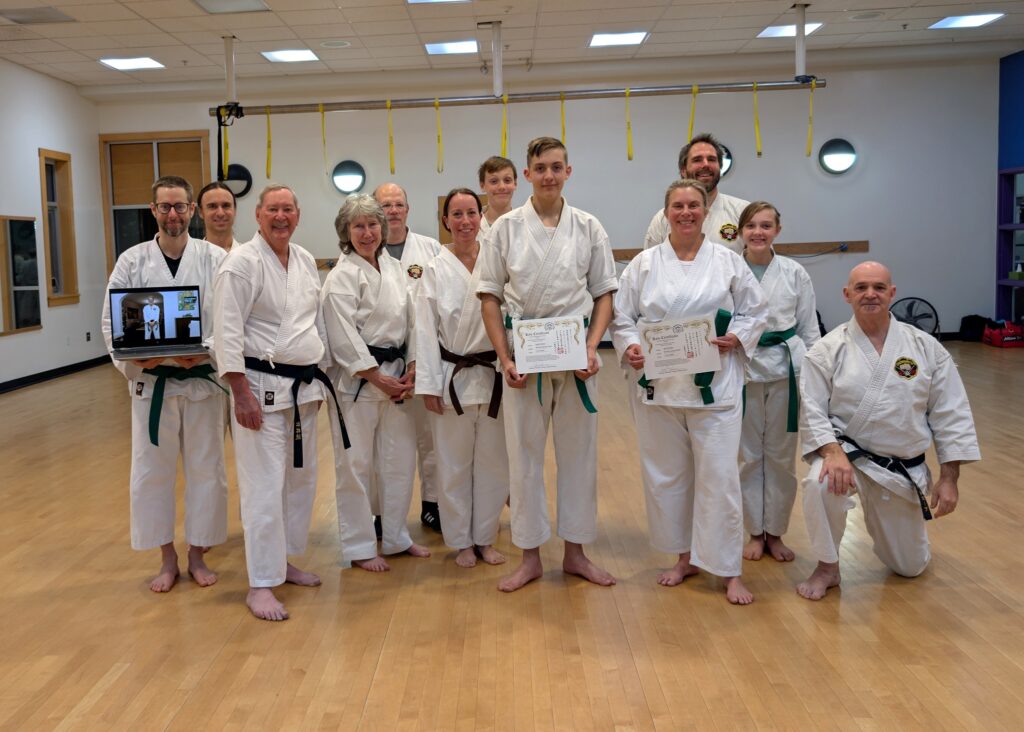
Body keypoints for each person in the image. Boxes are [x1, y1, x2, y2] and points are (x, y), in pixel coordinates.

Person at [610, 179, 767, 605]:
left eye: (693, 205)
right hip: (659, 387)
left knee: (720, 478)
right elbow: (621, 317)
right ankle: (685, 557)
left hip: (714, 386)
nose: (686, 213)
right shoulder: (644, 264)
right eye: (677, 206)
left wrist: (737, 337)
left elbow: (755, 310)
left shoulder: (728, 261)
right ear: (666, 214)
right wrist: (631, 347)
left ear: (705, 212)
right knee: (669, 477)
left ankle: (729, 569)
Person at [477, 136, 618, 592]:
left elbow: (604, 293)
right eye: (540, 168)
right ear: (528, 174)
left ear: (568, 171)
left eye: (557, 167)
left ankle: (576, 553)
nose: (549, 175)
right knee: (524, 459)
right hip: (525, 358)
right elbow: (489, 297)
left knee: (579, 457)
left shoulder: (589, 226)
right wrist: (504, 356)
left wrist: (593, 347)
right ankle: (530, 556)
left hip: (576, 356)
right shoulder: (505, 229)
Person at [796, 261, 981, 600]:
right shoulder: (827, 349)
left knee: (910, 567)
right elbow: (811, 409)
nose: (870, 294)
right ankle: (827, 566)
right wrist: (832, 452)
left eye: (879, 288)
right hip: (848, 458)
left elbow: (951, 412)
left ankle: (900, 539)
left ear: (892, 293)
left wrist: (949, 477)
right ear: (847, 294)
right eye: (861, 288)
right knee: (819, 482)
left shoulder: (925, 347)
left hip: (899, 468)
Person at [214, 184, 336, 621]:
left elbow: (315, 324)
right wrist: (240, 392)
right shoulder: (240, 264)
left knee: (298, 482)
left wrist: (319, 382)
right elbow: (226, 331)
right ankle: (260, 583)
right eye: (273, 210)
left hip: (302, 389)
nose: (281, 217)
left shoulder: (303, 259)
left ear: (297, 216)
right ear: (258, 215)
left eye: (288, 209)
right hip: (258, 389)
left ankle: (282, 562)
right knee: (263, 488)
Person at [100, 175, 227, 593]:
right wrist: (136, 359)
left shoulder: (214, 258)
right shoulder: (131, 261)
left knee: (207, 470)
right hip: (152, 383)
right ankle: (167, 556)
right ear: (153, 210)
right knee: (151, 472)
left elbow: (231, 317)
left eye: (180, 206)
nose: (173, 214)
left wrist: (206, 352)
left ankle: (198, 553)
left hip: (202, 381)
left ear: (192, 210)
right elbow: (111, 322)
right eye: (165, 206)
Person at [322, 194, 430, 572]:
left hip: (398, 378)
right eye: (358, 226)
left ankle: (397, 536)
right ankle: (359, 546)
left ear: (382, 229)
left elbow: (414, 320)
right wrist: (375, 376)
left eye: (372, 225)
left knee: (399, 461)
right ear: (346, 232)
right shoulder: (340, 277)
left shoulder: (394, 267)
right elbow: (341, 334)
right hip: (359, 385)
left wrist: (413, 364)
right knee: (355, 466)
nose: (367, 233)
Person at [416, 188, 509, 568]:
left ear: (480, 216)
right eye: (457, 214)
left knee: (494, 464)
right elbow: (424, 329)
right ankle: (461, 542)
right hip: (451, 377)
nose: (466, 221)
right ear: (446, 221)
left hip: (494, 375)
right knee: (453, 464)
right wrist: (428, 384)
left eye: (471, 212)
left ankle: (485, 538)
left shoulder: (496, 260)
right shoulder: (435, 268)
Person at [736, 202, 820, 562]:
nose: (758, 232)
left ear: (777, 231)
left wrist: (817, 377)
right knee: (748, 455)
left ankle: (776, 532)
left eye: (766, 225)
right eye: (751, 225)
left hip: (787, 367)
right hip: (743, 366)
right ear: (740, 231)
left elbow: (809, 328)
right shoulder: (729, 268)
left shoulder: (795, 272)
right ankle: (755, 532)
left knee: (782, 456)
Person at [373, 182, 443, 533]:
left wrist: (420, 360)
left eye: (398, 204)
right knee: (387, 447)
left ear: (408, 208)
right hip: (384, 366)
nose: (393, 211)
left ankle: (433, 504)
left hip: (426, 360)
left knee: (431, 439)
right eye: (386, 205)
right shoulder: (367, 252)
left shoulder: (430, 249)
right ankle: (383, 513)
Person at [642, 133, 748, 253]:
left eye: (711, 159)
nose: (706, 164)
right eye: (697, 160)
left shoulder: (743, 212)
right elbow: (649, 262)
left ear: (719, 167)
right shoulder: (662, 219)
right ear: (683, 170)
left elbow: (758, 262)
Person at [477, 155, 517, 239]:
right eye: (494, 181)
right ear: (482, 186)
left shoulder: (525, 224)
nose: (502, 187)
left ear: (515, 184)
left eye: (507, 180)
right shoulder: (473, 226)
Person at [197, 181, 241, 252]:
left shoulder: (250, 256)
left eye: (226, 205)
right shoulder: (192, 257)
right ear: (200, 212)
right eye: (212, 206)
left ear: (235, 210)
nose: (220, 213)